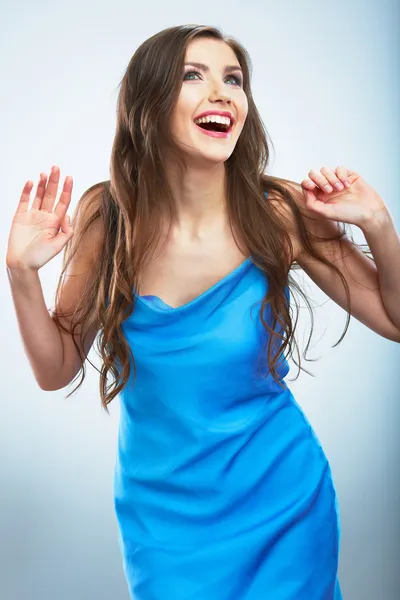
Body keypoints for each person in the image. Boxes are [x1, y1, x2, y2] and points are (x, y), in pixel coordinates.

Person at [6, 24, 400, 600]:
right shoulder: (108, 218)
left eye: (233, 79)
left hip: (281, 503)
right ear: (150, 100)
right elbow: (55, 368)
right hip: (163, 523)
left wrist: (379, 225)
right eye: (195, 75)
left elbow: (394, 320)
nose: (222, 93)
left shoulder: (279, 212)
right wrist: (21, 275)